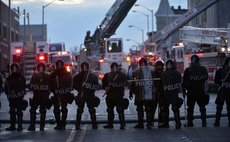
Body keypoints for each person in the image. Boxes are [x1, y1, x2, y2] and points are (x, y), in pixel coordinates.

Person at [183, 55, 209, 127]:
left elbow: (185, 82)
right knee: (202, 108)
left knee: (190, 108)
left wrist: (184, 89)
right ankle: (204, 122)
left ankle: (190, 122)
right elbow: (206, 77)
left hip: (191, 92)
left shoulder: (188, 70)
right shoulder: (203, 69)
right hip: (200, 92)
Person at [129, 58, 155, 129]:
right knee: (141, 109)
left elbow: (155, 82)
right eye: (141, 63)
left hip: (146, 93)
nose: (142, 65)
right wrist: (131, 91)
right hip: (140, 93)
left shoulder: (150, 71)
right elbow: (133, 83)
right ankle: (142, 123)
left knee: (147, 109)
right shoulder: (137, 72)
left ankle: (147, 123)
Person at [73, 62, 100, 130]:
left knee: (81, 110)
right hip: (88, 95)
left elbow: (74, 85)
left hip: (83, 95)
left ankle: (78, 125)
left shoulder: (77, 76)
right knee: (89, 110)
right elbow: (96, 86)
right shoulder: (93, 76)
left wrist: (81, 90)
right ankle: (94, 125)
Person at [102, 62, 127, 129]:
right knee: (117, 110)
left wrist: (106, 87)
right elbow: (126, 83)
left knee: (112, 110)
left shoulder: (108, 75)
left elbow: (103, 85)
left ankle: (112, 124)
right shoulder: (122, 75)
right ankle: (121, 124)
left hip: (113, 95)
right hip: (117, 95)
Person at [28, 63, 51, 131]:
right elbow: (31, 86)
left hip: (43, 96)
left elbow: (50, 86)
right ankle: (32, 126)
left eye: (42, 67)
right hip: (37, 95)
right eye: (39, 67)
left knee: (42, 111)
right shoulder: (35, 76)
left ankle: (41, 126)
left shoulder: (47, 76)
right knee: (33, 111)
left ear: (43, 68)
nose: (41, 69)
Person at [50, 60, 73, 130]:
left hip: (64, 94)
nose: (59, 66)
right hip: (56, 94)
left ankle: (63, 124)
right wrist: (53, 90)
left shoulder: (67, 74)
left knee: (64, 109)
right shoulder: (53, 74)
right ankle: (58, 124)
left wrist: (66, 90)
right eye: (58, 64)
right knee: (56, 110)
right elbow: (50, 84)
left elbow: (70, 83)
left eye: (60, 64)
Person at [160, 59, 182, 129]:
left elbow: (179, 82)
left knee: (175, 108)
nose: (169, 66)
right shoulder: (164, 73)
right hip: (166, 93)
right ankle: (166, 123)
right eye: (168, 64)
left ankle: (178, 123)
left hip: (173, 92)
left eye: (170, 64)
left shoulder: (176, 73)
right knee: (165, 109)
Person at [4, 63, 26, 131]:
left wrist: (18, 92)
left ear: (17, 69)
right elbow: (6, 88)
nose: (14, 69)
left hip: (19, 97)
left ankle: (20, 126)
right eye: (13, 68)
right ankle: (12, 126)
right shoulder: (9, 78)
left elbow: (23, 87)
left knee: (19, 112)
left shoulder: (21, 77)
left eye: (15, 68)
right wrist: (9, 93)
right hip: (12, 98)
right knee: (12, 112)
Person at [213, 57, 230, 127]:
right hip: (222, 91)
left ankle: (218, 121)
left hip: (228, 91)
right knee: (219, 107)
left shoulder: (220, 71)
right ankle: (217, 121)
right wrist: (220, 82)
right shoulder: (220, 71)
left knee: (228, 107)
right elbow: (216, 80)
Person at [153, 59, 165, 126]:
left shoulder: (164, 73)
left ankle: (161, 121)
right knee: (153, 108)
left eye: (160, 65)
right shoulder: (154, 73)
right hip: (155, 92)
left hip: (162, 92)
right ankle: (151, 121)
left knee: (162, 108)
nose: (159, 67)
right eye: (158, 65)